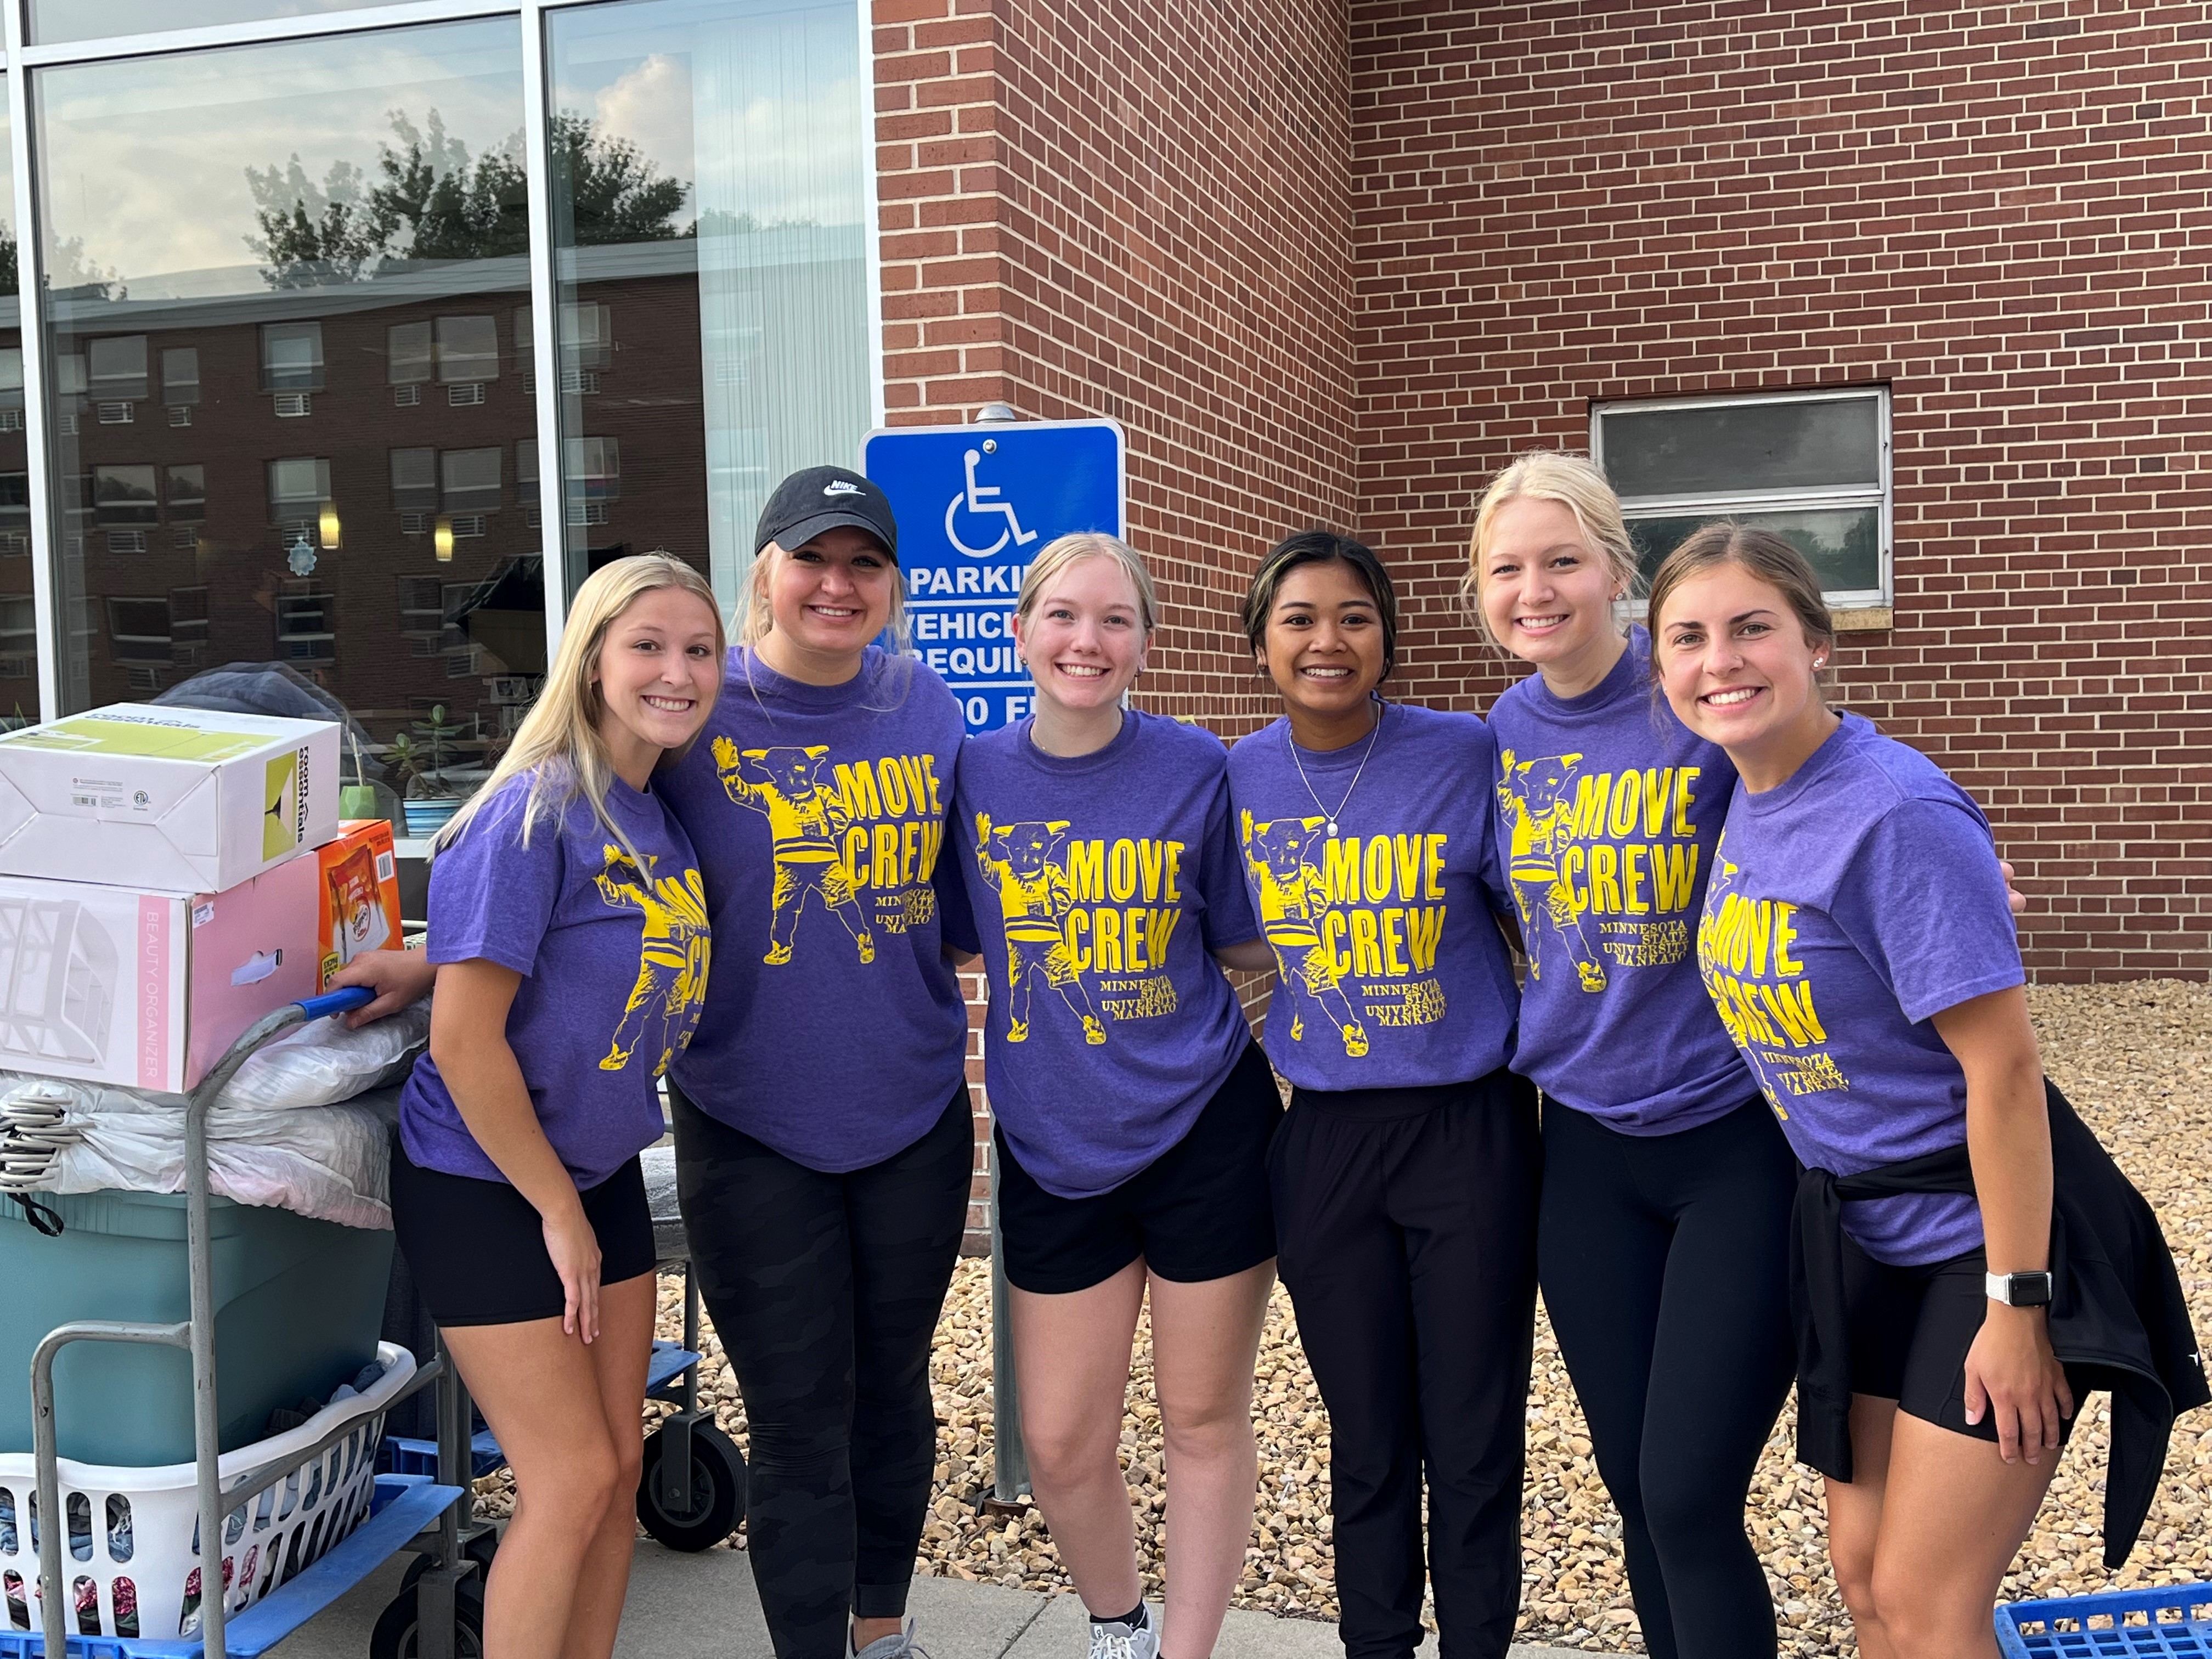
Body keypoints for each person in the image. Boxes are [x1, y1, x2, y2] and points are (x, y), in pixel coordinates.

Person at [1649, 524, 2203, 1659]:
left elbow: (2002, 1070)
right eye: (1688, 638)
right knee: (1863, 1581)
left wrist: (2018, 1304)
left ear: (1815, 638)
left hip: (1974, 1240)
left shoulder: (1892, 814)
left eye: (1753, 628)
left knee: (1928, 1600)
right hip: (1856, 1236)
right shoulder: (1743, 785)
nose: (1722, 662)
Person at [1469, 454, 1795, 1659]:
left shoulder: (1691, 696)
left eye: (1562, 560)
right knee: (1632, 1485)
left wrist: (1955, 857)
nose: (1536, 590)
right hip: (1587, 1151)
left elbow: (1826, 769)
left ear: (1617, 570)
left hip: (1731, 1140)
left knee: (1690, 1492)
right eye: (1507, 569)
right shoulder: (1501, 732)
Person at [657, 466, 977, 1659]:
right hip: (748, 1120)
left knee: (893, 1391)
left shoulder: (926, 705)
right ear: (767, 573)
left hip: (912, 1113)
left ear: (894, 586)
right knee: (797, 1414)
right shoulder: (697, 708)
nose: (837, 585)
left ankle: (883, 1636)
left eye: (863, 564)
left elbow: (968, 899)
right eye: (812, 559)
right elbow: (566, 843)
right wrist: (441, 971)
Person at [386, 551, 722, 1659]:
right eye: (648, 645)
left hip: (597, 1168)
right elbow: (467, 1042)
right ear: (588, 663)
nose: (676, 671)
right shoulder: (533, 813)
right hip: (489, 1183)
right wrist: (557, 1215)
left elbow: (554, 967)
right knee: (569, 1477)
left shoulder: (652, 814)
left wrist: (428, 962)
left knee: (619, 1468)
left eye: (698, 650)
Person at [954, 532, 1280, 1659]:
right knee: (1059, 1439)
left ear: (1146, 640)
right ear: (1021, 631)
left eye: (1112, 620)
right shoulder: (973, 777)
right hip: (1053, 1146)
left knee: (1199, 1417)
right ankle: (1118, 1629)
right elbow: (928, 933)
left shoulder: (1197, 769)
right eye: (1062, 616)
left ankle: (1185, 1652)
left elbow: (1251, 952)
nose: (1086, 641)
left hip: (1206, 1134)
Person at [1227, 530, 1534, 1659]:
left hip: (1468, 1129)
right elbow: (1216, 931)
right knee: (1366, 1438)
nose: (1328, 640)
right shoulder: (1239, 776)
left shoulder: (1466, 752)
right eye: (1300, 618)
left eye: (1355, 616)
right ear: (1260, 642)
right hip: (1328, 1142)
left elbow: (1559, 887)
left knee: (1471, 1433)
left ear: (1390, 638)